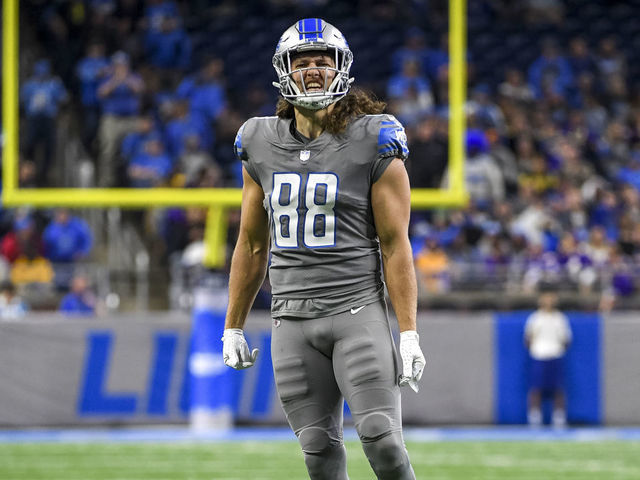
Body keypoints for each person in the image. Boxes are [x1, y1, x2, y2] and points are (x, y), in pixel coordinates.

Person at [222, 19, 426, 480]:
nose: (313, 70)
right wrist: (232, 325)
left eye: (323, 61)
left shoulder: (374, 138)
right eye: (302, 62)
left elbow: (395, 246)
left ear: (342, 68)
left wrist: (409, 331)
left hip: (356, 309)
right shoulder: (258, 141)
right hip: (291, 317)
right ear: (284, 71)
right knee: (317, 450)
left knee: (384, 441)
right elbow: (253, 244)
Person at [524, 291, 572, 428]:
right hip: (539, 356)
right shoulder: (535, 318)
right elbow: (528, 338)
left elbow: (566, 339)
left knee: (558, 388)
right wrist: (537, 349)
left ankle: (559, 418)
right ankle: (534, 417)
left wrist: (556, 349)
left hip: (555, 355)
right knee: (536, 388)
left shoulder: (560, 318)